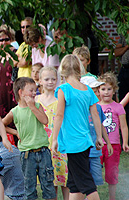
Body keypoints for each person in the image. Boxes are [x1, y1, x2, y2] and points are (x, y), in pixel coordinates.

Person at [52, 54, 103, 200]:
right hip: (85, 141)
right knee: (74, 183)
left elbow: (59, 115)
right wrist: (99, 137)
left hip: (73, 142)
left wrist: (54, 138)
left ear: (62, 70)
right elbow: (95, 115)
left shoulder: (64, 89)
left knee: (86, 183)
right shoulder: (87, 89)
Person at [2, 77, 56, 200]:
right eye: (31, 90)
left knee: (48, 187)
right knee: (29, 189)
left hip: (43, 152)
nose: (34, 93)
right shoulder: (15, 111)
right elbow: (1, 124)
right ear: (21, 92)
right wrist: (15, 132)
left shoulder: (37, 106)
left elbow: (45, 120)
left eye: (35, 90)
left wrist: (32, 107)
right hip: (26, 155)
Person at [36, 67, 69, 199]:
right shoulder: (36, 100)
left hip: (61, 144)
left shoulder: (61, 99)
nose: (50, 82)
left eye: (53, 79)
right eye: (46, 79)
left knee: (65, 180)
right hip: (43, 145)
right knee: (50, 181)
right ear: (40, 81)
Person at [97, 72, 129, 200]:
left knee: (112, 173)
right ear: (98, 90)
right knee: (94, 172)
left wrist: (125, 142)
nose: (106, 92)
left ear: (114, 90)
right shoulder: (95, 107)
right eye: (103, 89)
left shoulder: (118, 107)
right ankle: (92, 195)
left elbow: (124, 126)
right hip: (98, 145)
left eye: (109, 89)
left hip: (114, 145)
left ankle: (112, 197)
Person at [80, 78, 114, 189]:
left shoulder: (98, 108)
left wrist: (108, 143)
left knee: (95, 179)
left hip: (95, 151)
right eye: (92, 91)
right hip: (82, 150)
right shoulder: (79, 108)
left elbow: (101, 125)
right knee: (83, 179)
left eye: (96, 91)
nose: (95, 94)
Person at [0, 29, 18, 144]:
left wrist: (10, 53)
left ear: (11, 39)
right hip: (1, 91)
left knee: (14, 119)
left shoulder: (16, 52)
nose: (4, 42)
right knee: (1, 120)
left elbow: (16, 65)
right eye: (1, 40)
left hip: (13, 91)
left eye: (6, 39)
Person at [115, 30, 129, 125]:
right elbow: (117, 52)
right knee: (123, 96)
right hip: (124, 69)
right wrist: (127, 46)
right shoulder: (123, 36)